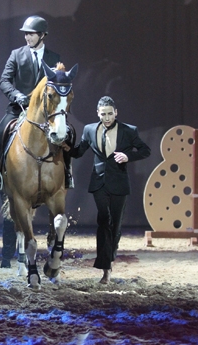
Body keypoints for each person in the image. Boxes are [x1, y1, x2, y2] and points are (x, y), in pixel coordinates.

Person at [0, 15, 73, 269]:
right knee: (0, 131)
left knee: (69, 133)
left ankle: (66, 172)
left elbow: (60, 84)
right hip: (20, 107)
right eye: (25, 34)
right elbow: (4, 80)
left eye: (31, 34)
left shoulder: (54, 57)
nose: (27, 37)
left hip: (47, 112)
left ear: (42, 35)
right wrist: (17, 95)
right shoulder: (17, 55)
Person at [63, 96, 151, 284]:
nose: (107, 117)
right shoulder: (89, 130)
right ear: (98, 113)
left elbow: (145, 150)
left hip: (119, 184)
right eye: (103, 114)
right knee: (104, 221)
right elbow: (78, 152)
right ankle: (105, 269)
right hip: (99, 184)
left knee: (115, 227)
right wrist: (64, 147)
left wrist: (128, 156)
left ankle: (109, 260)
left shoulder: (128, 131)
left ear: (116, 112)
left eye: (110, 113)